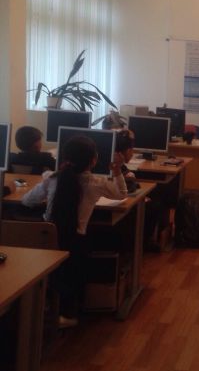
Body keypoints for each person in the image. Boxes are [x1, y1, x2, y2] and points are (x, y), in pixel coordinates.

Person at [21, 135, 127, 327]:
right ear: (94, 160)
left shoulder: (53, 178)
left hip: (47, 240)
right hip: (76, 243)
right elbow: (121, 194)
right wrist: (117, 170)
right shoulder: (96, 183)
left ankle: (46, 303)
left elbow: (27, 201)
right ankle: (69, 313)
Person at [114, 129, 167, 252]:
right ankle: (143, 242)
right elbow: (128, 187)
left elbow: (129, 178)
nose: (133, 153)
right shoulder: (116, 165)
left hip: (117, 200)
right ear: (128, 151)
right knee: (155, 205)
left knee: (151, 199)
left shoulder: (115, 161)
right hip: (120, 205)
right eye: (132, 149)